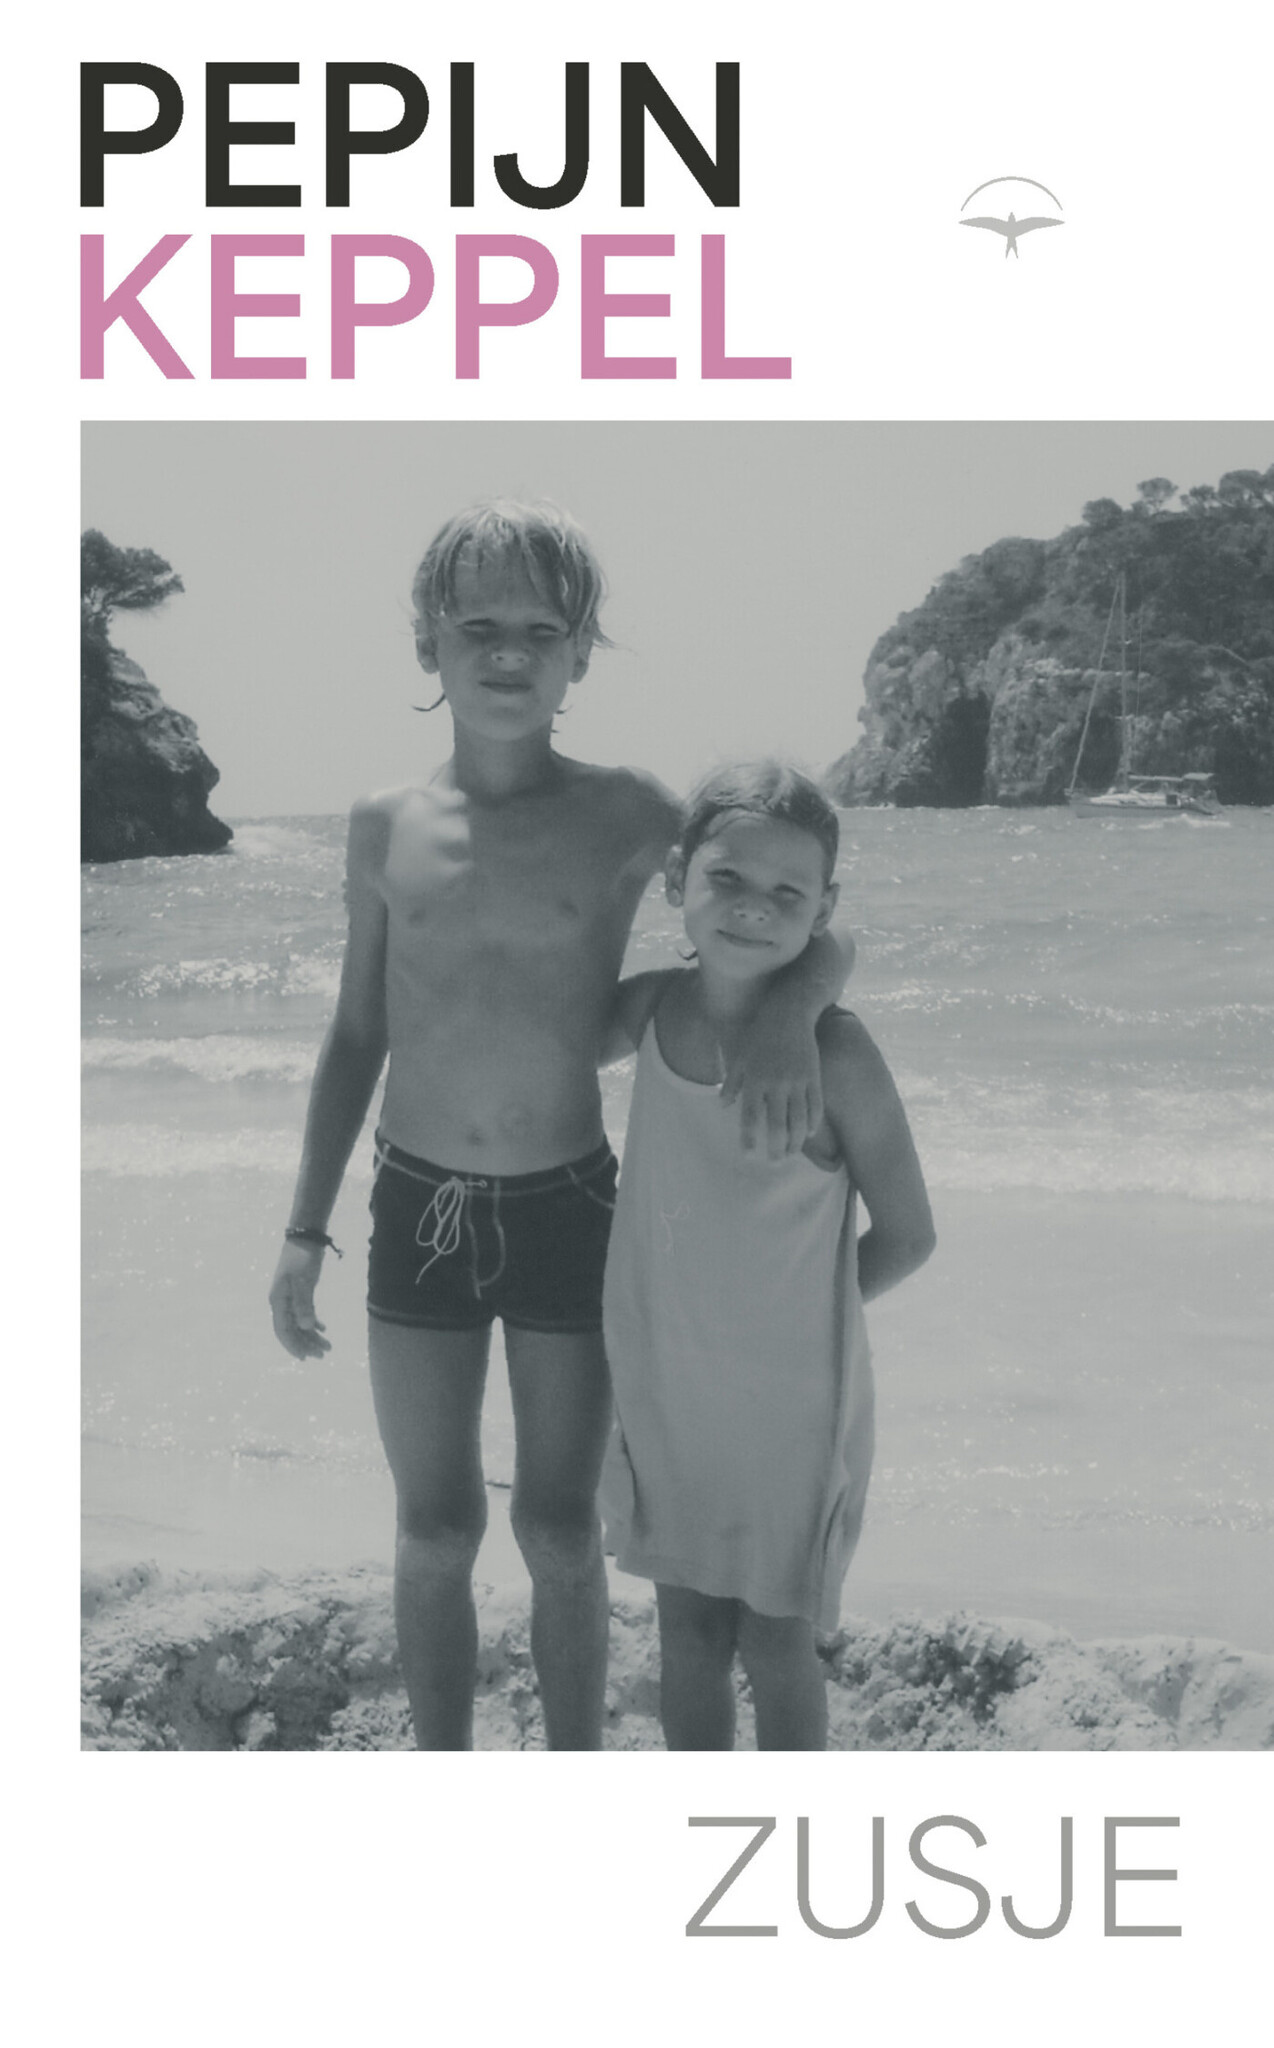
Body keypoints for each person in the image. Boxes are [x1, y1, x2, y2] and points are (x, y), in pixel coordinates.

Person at [268, 504, 849, 1750]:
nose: (508, 651)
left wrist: (794, 1011)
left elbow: (783, 890)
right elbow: (357, 1029)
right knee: (434, 1527)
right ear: (426, 641)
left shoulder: (628, 812)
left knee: (557, 1525)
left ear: (582, 652)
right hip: (416, 1202)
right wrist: (303, 1227)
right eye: (478, 624)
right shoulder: (384, 822)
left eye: (542, 630)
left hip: (568, 1205)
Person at [598, 762, 935, 1750]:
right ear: (676, 879)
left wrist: (798, 1323)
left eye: (788, 892)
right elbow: (541, 1034)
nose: (753, 907)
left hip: (791, 1410)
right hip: (668, 1390)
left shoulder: (838, 1054)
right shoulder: (653, 1012)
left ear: (821, 909)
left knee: (778, 1642)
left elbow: (910, 1234)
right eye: (727, 879)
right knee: (687, 1634)